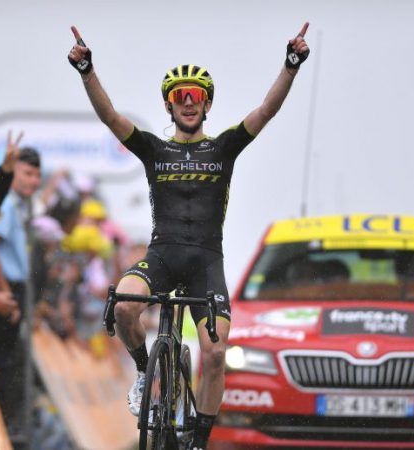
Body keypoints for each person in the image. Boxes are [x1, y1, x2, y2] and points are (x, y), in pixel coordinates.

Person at [68, 22, 310, 449]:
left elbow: (266, 111)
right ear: (169, 105)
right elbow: (110, 116)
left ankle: (199, 441)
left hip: (206, 262)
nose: (188, 102)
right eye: (180, 96)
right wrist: (87, 71)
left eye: (195, 96)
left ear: (207, 104)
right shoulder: (154, 149)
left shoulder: (223, 148)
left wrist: (290, 66)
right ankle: (143, 371)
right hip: (162, 255)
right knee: (123, 306)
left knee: (214, 354)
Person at [0, 146, 41, 437]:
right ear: (12, 173)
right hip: (3, 289)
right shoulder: (5, 202)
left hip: (13, 288)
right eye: (27, 173)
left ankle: (3, 429)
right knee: (0, 364)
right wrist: (5, 293)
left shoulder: (20, 205)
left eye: (37, 176)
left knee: (9, 363)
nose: (33, 181)